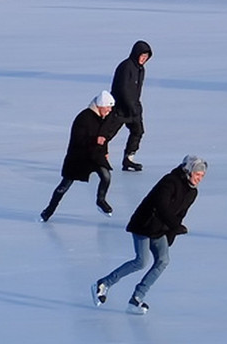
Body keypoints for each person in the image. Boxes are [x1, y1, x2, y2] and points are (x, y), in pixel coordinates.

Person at [92, 155, 207, 314]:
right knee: (141, 261)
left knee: (163, 260)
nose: (199, 179)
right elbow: (160, 205)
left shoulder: (192, 192)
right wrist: (175, 225)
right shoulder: (170, 181)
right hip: (144, 225)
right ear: (188, 171)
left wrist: (172, 233)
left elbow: (180, 214)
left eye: (202, 176)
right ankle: (104, 284)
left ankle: (137, 298)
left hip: (160, 230)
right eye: (197, 175)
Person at [41, 90, 122, 221]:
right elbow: (78, 139)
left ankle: (101, 201)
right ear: (101, 105)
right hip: (78, 157)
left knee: (106, 176)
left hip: (95, 156)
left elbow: (103, 136)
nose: (109, 110)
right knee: (64, 186)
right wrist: (95, 140)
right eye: (108, 107)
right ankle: (48, 211)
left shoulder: (103, 118)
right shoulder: (83, 118)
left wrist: (105, 151)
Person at [111, 40, 153, 172]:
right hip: (120, 108)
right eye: (142, 56)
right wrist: (130, 105)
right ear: (136, 54)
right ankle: (92, 159)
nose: (143, 59)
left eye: (146, 57)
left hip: (133, 108)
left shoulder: (141, 69)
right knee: (106, 135)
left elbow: (136, 90)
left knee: (138, 131)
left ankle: (129, 159)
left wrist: (137, 107)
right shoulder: (126, 67)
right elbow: (122, 89)